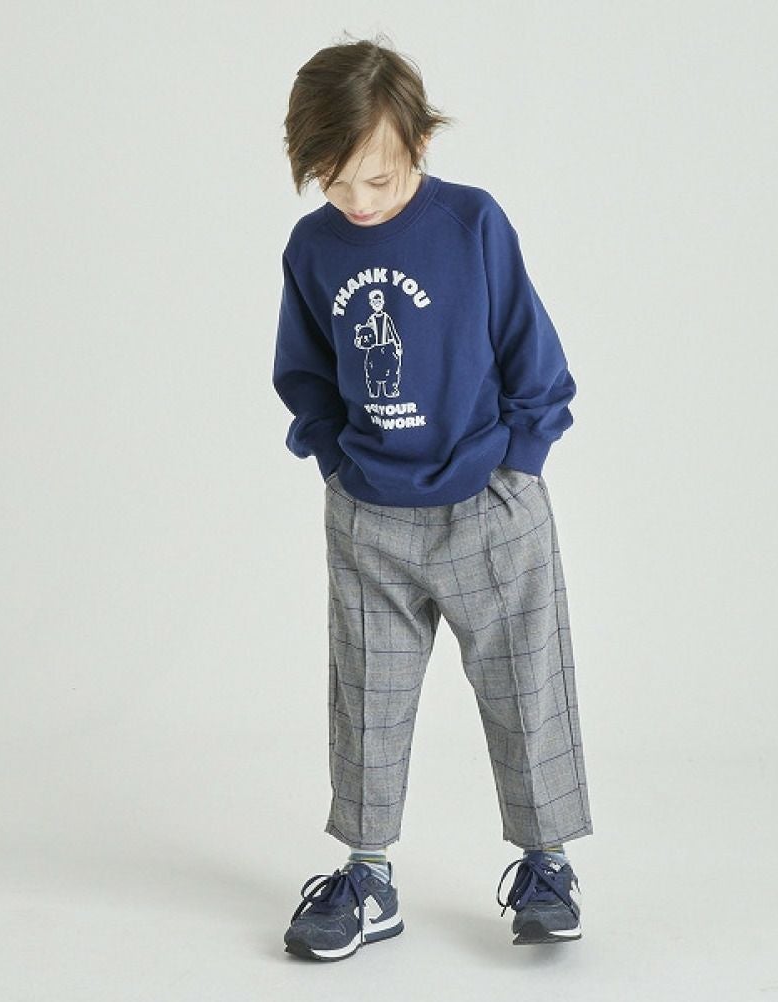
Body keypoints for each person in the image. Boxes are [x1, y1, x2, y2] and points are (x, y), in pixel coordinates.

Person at [272, 36, 594, 961]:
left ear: (418, 142)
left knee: (525, 685)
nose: (359, 202)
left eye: (378, 178)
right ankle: (368, 875)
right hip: (370, 515)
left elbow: (533, 355)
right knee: (367, 696)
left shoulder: (471, 223)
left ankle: (547, 864)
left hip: (488, 504)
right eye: (335, 182)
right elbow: (305, 372)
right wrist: (335, 465)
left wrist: (518, 465)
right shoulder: (313, 248)